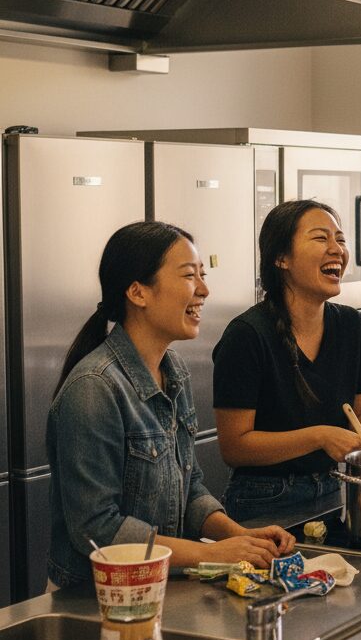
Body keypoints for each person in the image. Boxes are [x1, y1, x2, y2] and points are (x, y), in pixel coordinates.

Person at [47, 222, 295, 589]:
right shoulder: (94, 387)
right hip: (95, 597)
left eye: (202, 275)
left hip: (158, 586)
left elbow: (189, 487)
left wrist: (240, 536)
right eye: (189, 275)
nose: (204, 289)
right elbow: (97, 530)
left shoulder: (173, 369)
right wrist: (212, 553)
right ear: (138, 292)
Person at [213, 200, 361, 523]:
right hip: (263, 499)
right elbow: (234, 447)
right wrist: (319, 436)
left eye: (341, 239)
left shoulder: (351, 325)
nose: (337, 250)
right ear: (282, 258)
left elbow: (360, 415)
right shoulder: (247, 334)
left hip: (334, 489)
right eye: (321, 238)